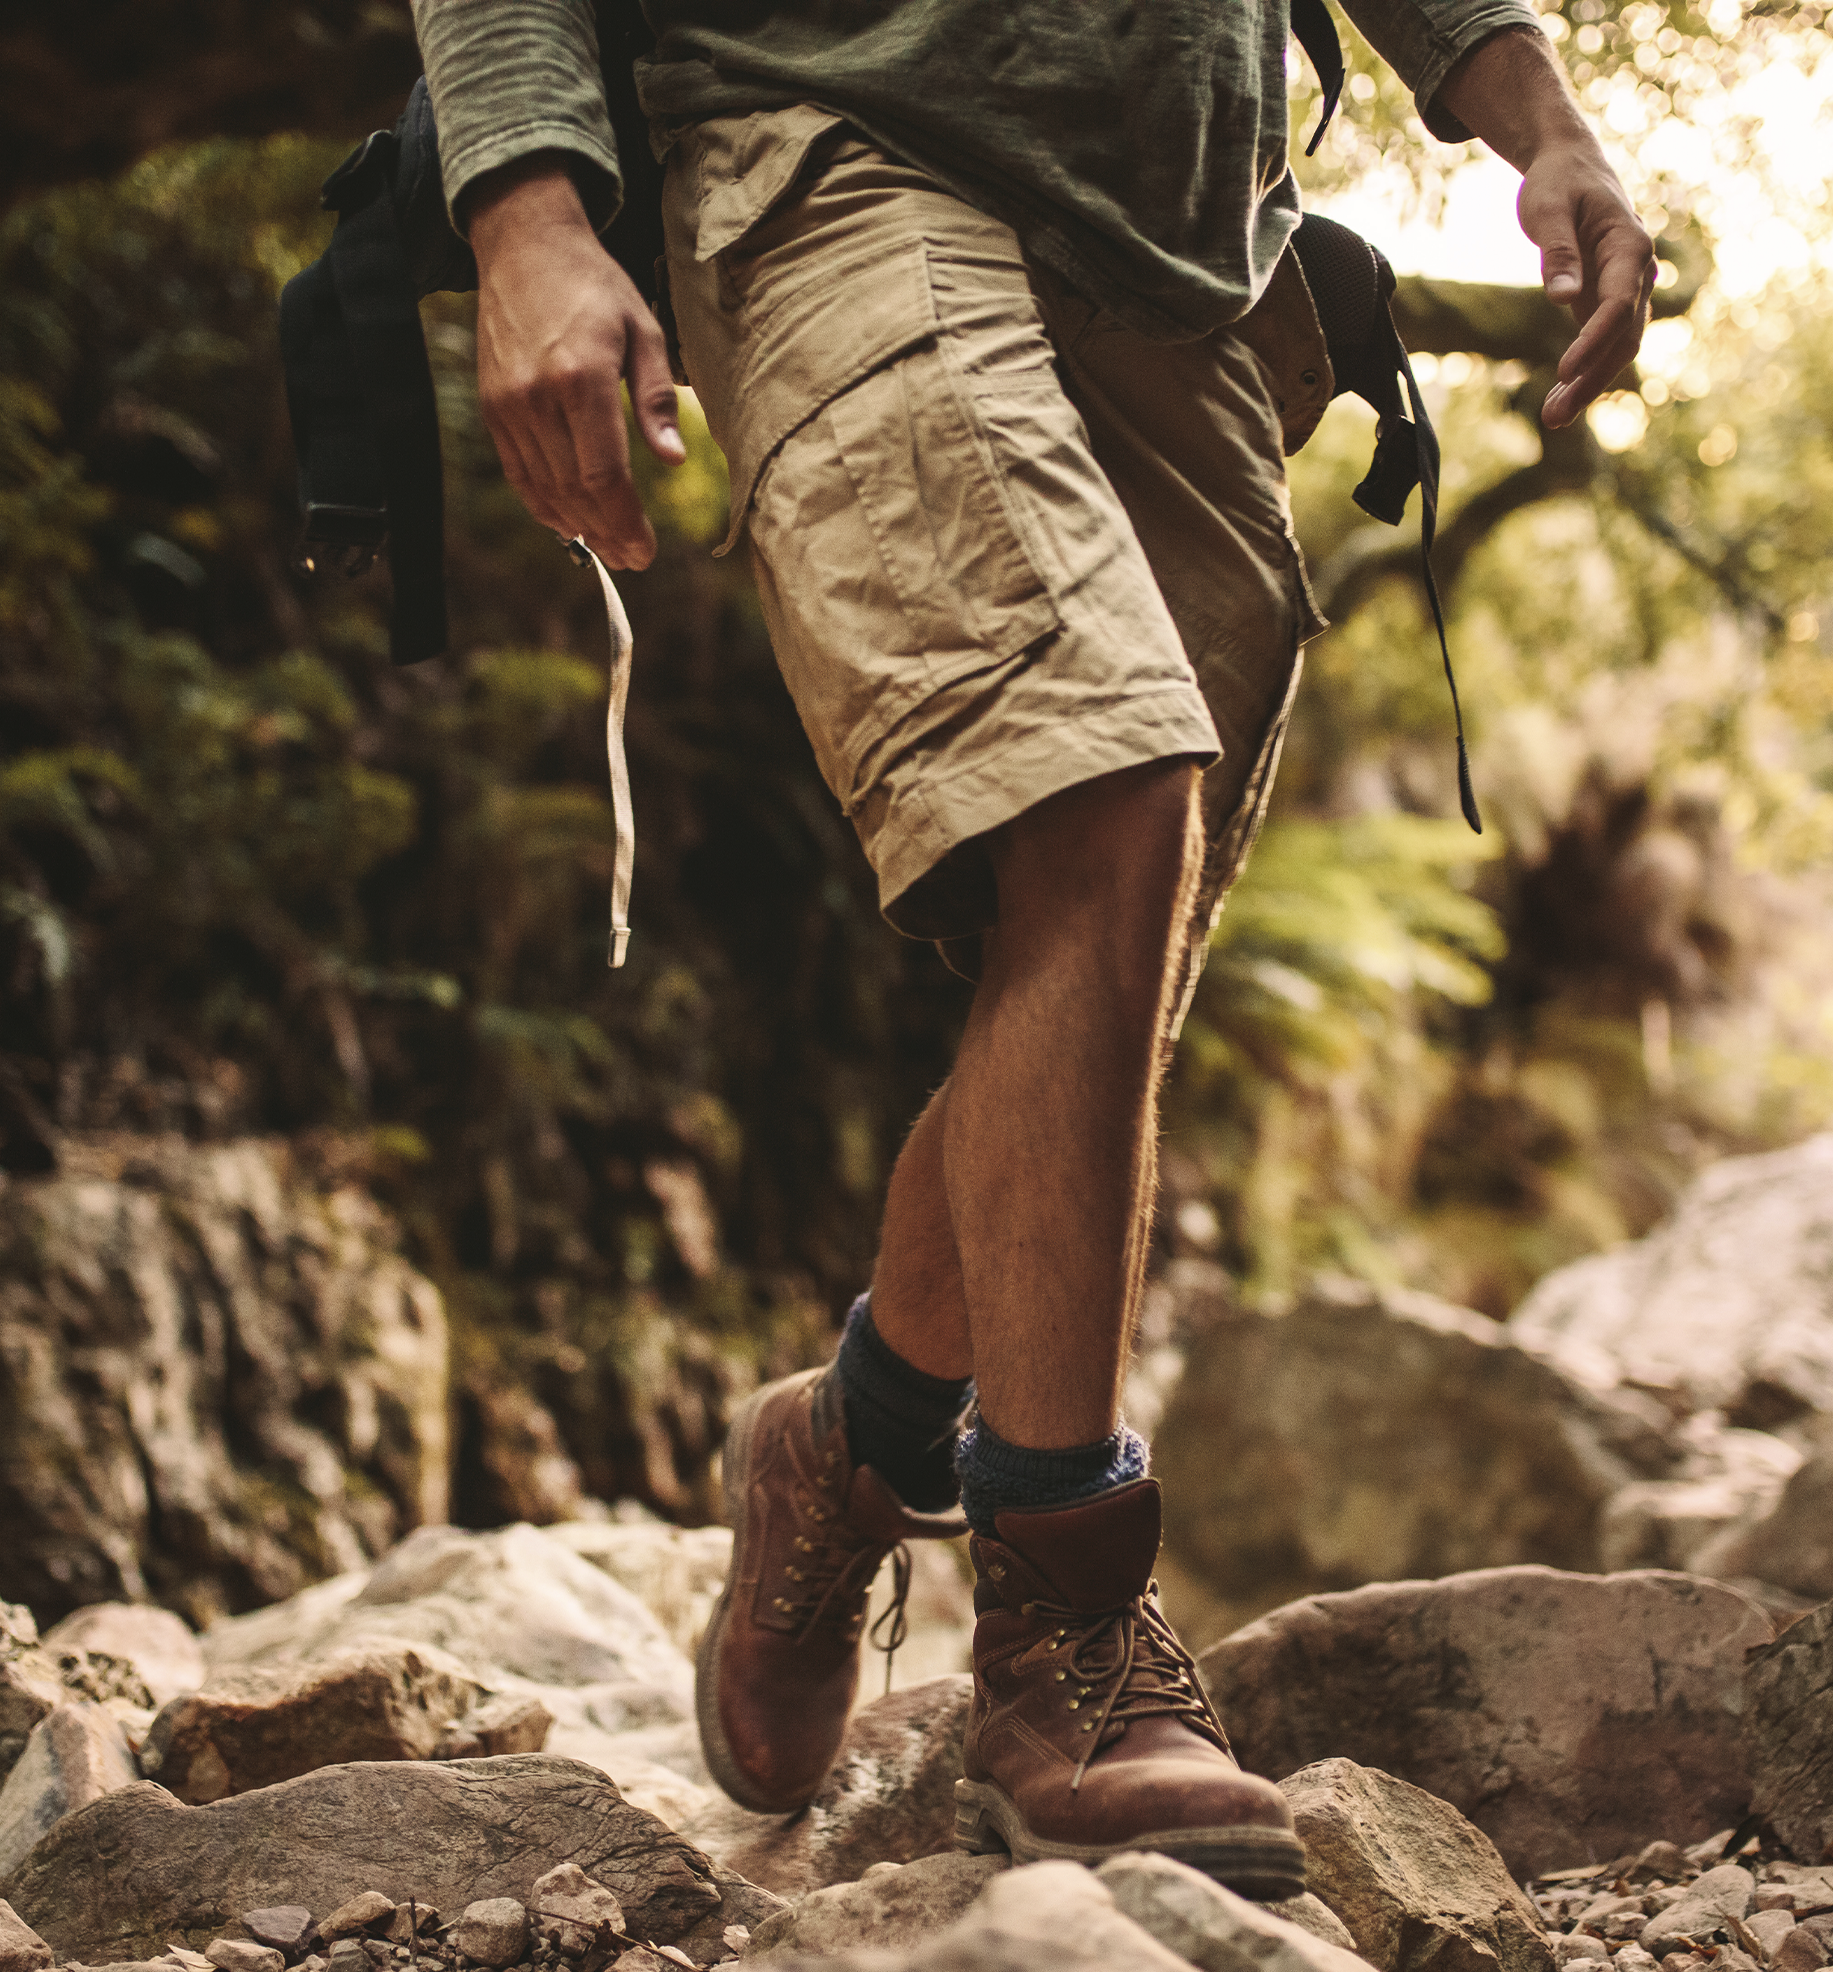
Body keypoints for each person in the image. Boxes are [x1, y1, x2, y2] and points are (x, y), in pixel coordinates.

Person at [420, 0, 1652, 1896]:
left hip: (1196, 251)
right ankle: (1064, 1625)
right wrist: (523, 210)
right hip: (826, 142)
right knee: (1105, 793)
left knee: (1099, 959)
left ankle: (852, 1440)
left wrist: (1533, 114)